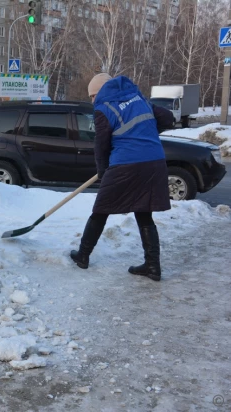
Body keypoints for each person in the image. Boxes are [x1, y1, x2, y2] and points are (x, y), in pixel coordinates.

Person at [69, 73, 175, 281]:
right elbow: (167, 118)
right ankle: (153, 267)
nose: (92, 101)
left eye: (92, 95)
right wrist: (146, 133)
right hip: (154, 162)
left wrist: (102, 170)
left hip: (126, 163)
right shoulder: (139, 98)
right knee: (144, 213)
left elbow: (101, 145)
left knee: (100, 210)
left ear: (101, 91)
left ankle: (83, 255)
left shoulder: (104, 108)